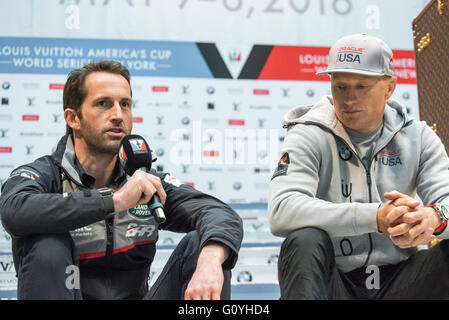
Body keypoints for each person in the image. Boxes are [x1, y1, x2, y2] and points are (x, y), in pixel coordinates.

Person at [0, 60, 243, 300]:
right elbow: (15, 209)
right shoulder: (46, 174)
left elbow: (221, 213)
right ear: (73, 118)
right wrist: (113, 200)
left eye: (125, 104)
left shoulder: (145, 180)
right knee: (47, 246)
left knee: (207, 243)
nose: (118, 115)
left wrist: (210, 259)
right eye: (103, 104)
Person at [268, 34, 449, 299]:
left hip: (402, 280)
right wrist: (376, 217)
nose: (349, 98)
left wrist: (434, 218)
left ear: (389, 88)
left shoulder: (418, 136)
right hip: (335, 283)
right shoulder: (308, 132)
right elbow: (282, 210)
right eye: (340, 86)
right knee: (304, 240)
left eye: (362, 86)